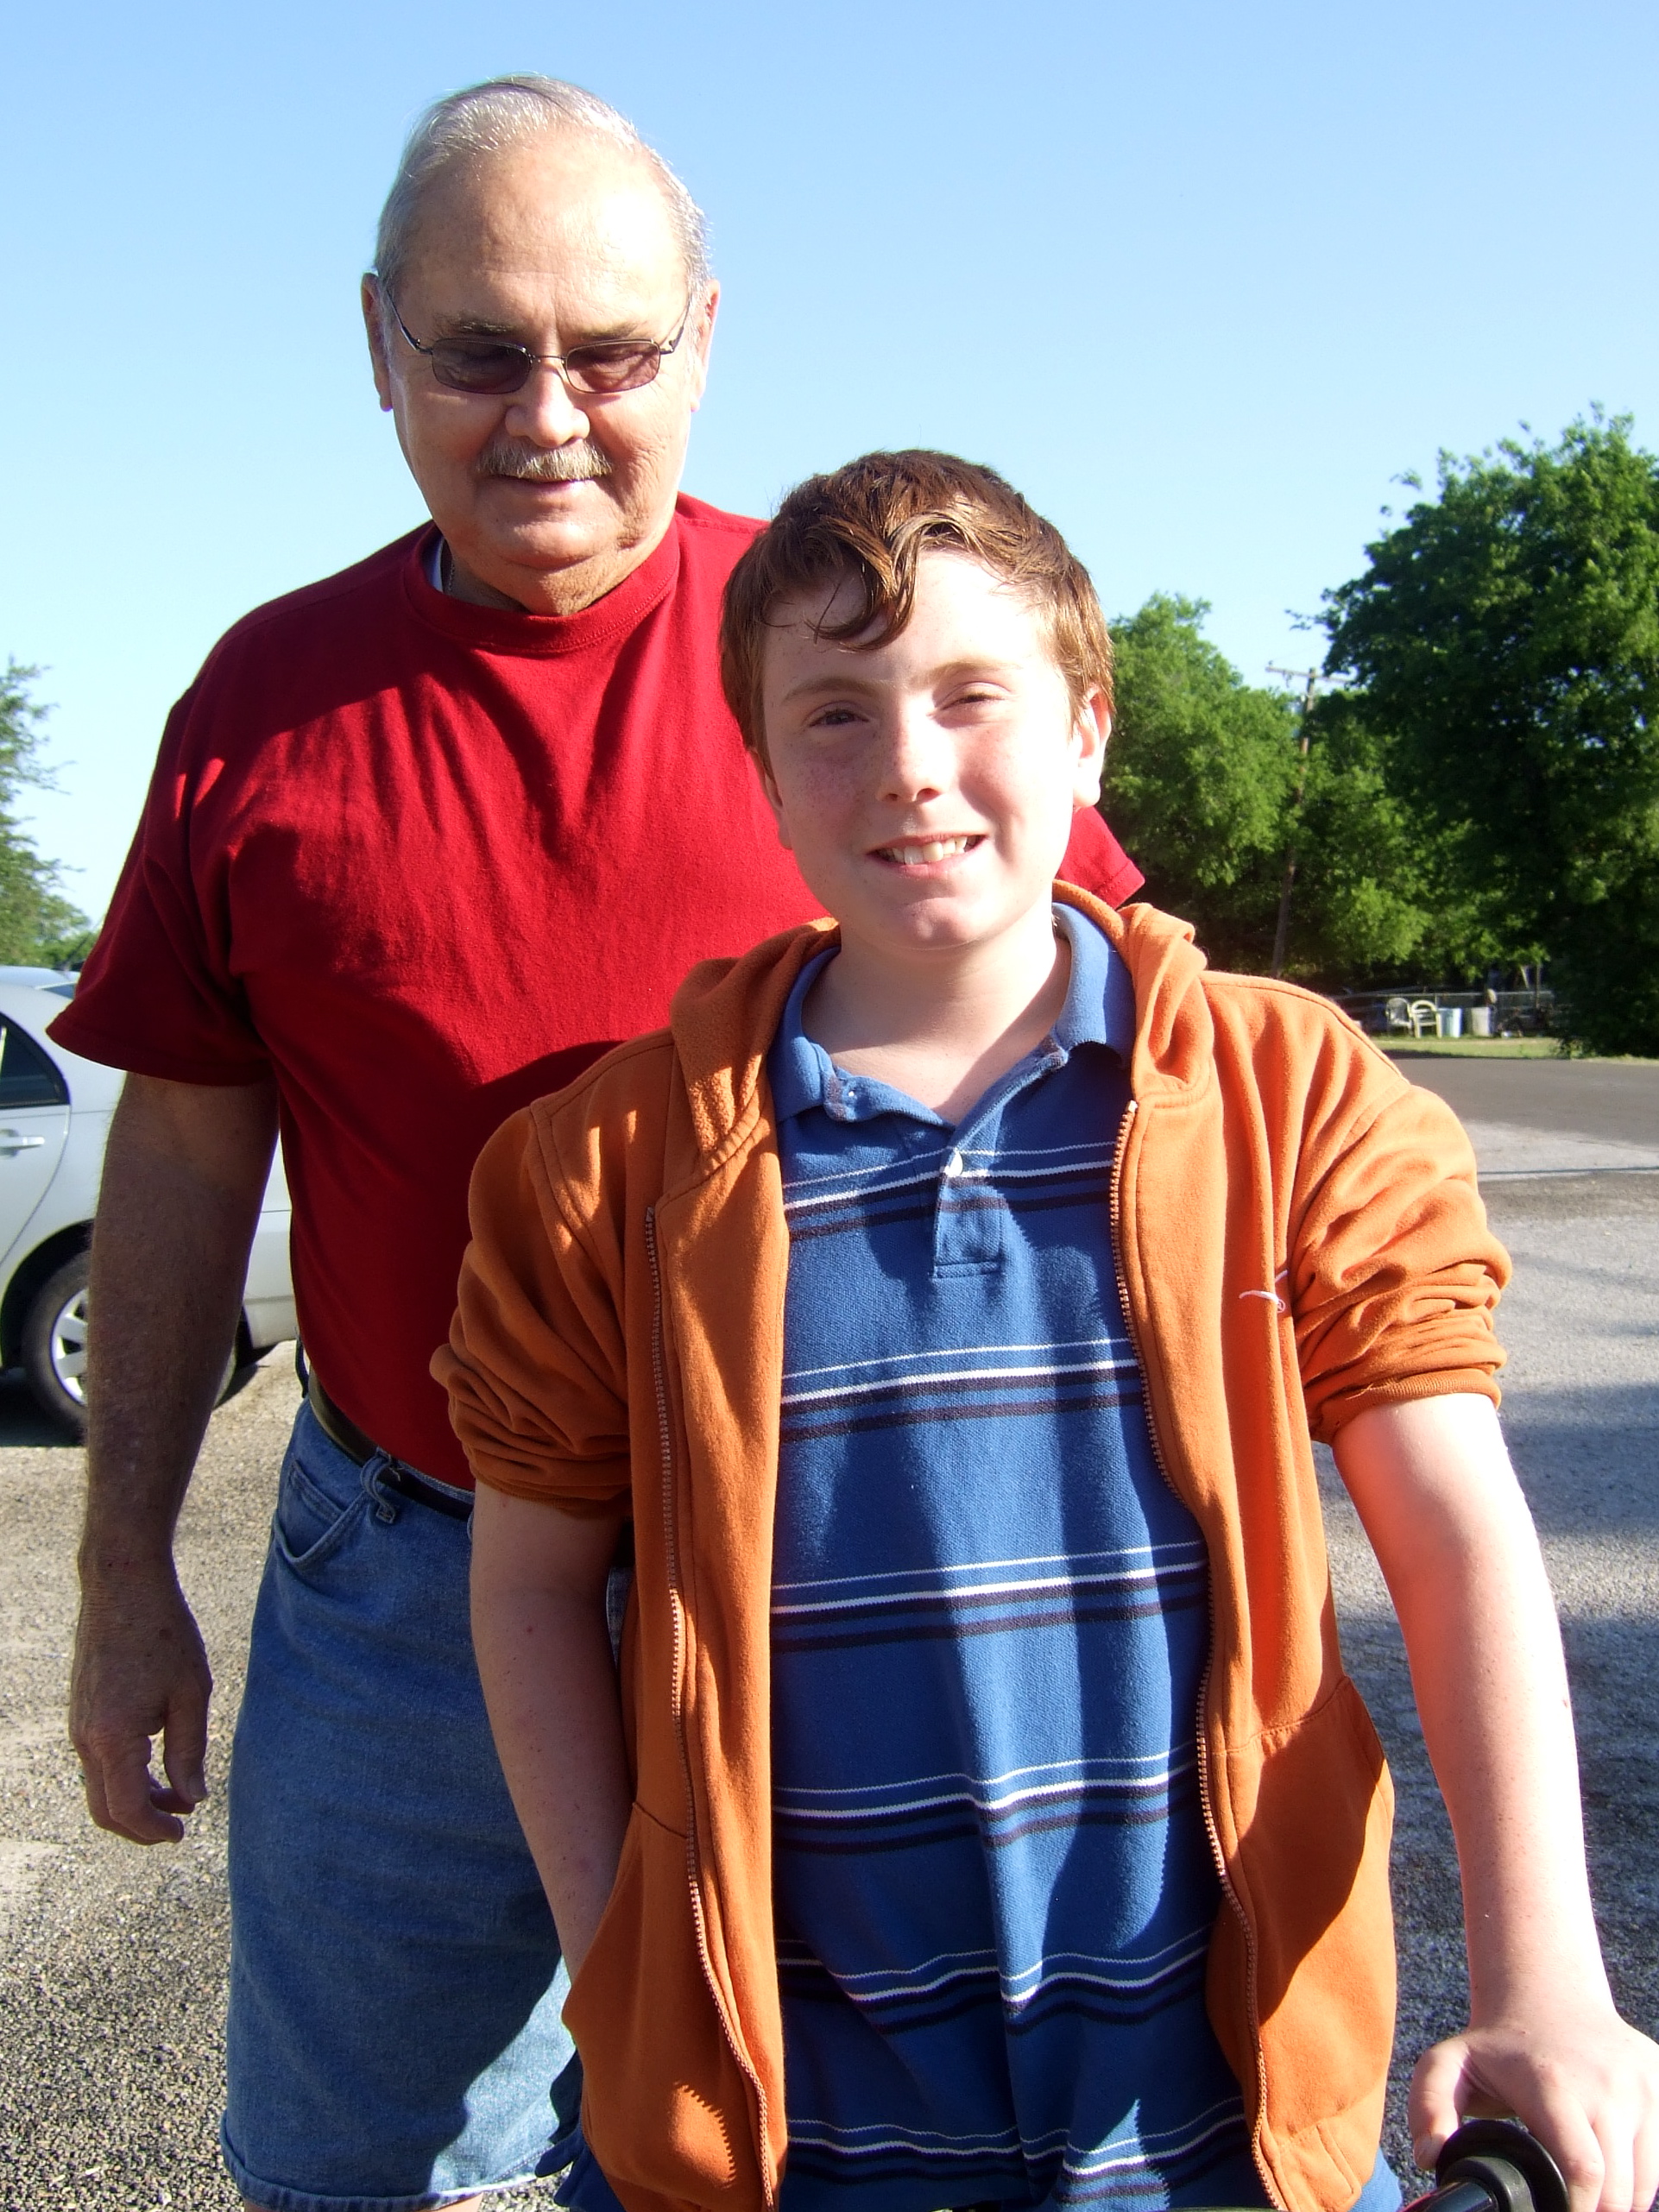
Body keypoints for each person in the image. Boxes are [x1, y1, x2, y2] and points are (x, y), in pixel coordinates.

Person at [53, 78, 1147, 2212]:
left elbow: (1105, 1073)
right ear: (377, 345)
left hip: (826, 1581)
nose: (548, 415)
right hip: (409, 1570)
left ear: (703, 342)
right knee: (354, 2168)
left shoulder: (848, 678)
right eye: (479, 350)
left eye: (611, 351)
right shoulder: (261, 704)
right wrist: (122, 1580)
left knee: (802, 2153)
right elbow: (182, 1157)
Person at [442, 451, 1659, 2212]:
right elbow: (531, 1585)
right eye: (834, 713)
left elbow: (1458, 1529)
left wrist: (1545, 1978)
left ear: (1086, 729)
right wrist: (621, 1959)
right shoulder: (602, 1166)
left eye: (970, 694)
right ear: (763, 774)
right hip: (798, 2144)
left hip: (1215, 2122)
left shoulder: (1289, 1094)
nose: (908, 762)